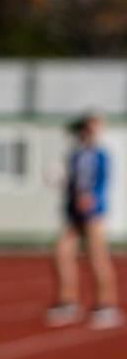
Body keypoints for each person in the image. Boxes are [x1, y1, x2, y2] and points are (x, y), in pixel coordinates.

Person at [47, 114, 119, 328]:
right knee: (61, 252)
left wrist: (90, 199)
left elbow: (101, 181)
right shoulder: (74, 155)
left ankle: (106, 304)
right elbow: (72, 182)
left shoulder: (100, 155)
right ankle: (67, 300)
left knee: (97, 257)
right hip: (73, 213)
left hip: (93, 212)